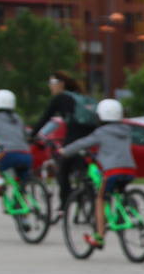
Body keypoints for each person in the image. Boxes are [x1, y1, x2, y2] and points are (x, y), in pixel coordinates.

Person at [58, 99, 135, 250]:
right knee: (117, 192)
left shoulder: (101, 132)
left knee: (100, 198)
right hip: (130, 170)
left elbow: (83, 143)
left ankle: (99, 237)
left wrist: (65, 151)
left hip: (112, 171)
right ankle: (127, 210)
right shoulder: (126, 130)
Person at [30, 71, 97, 214]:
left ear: (61, 84)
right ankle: (89, 196)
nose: (50, 87)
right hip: (90, 135)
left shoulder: (61, 98)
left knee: (63, 168)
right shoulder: (81, 97)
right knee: (84, 169)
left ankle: (64, 204)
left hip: (74, 136)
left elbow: (45, 118)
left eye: (52, 83)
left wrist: (31, 136)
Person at [0, 90, 32, 196]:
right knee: (21, 182)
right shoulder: (18, 118)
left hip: (8, 153)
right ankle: (21, 204)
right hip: (26, 154)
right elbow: (26, 133)